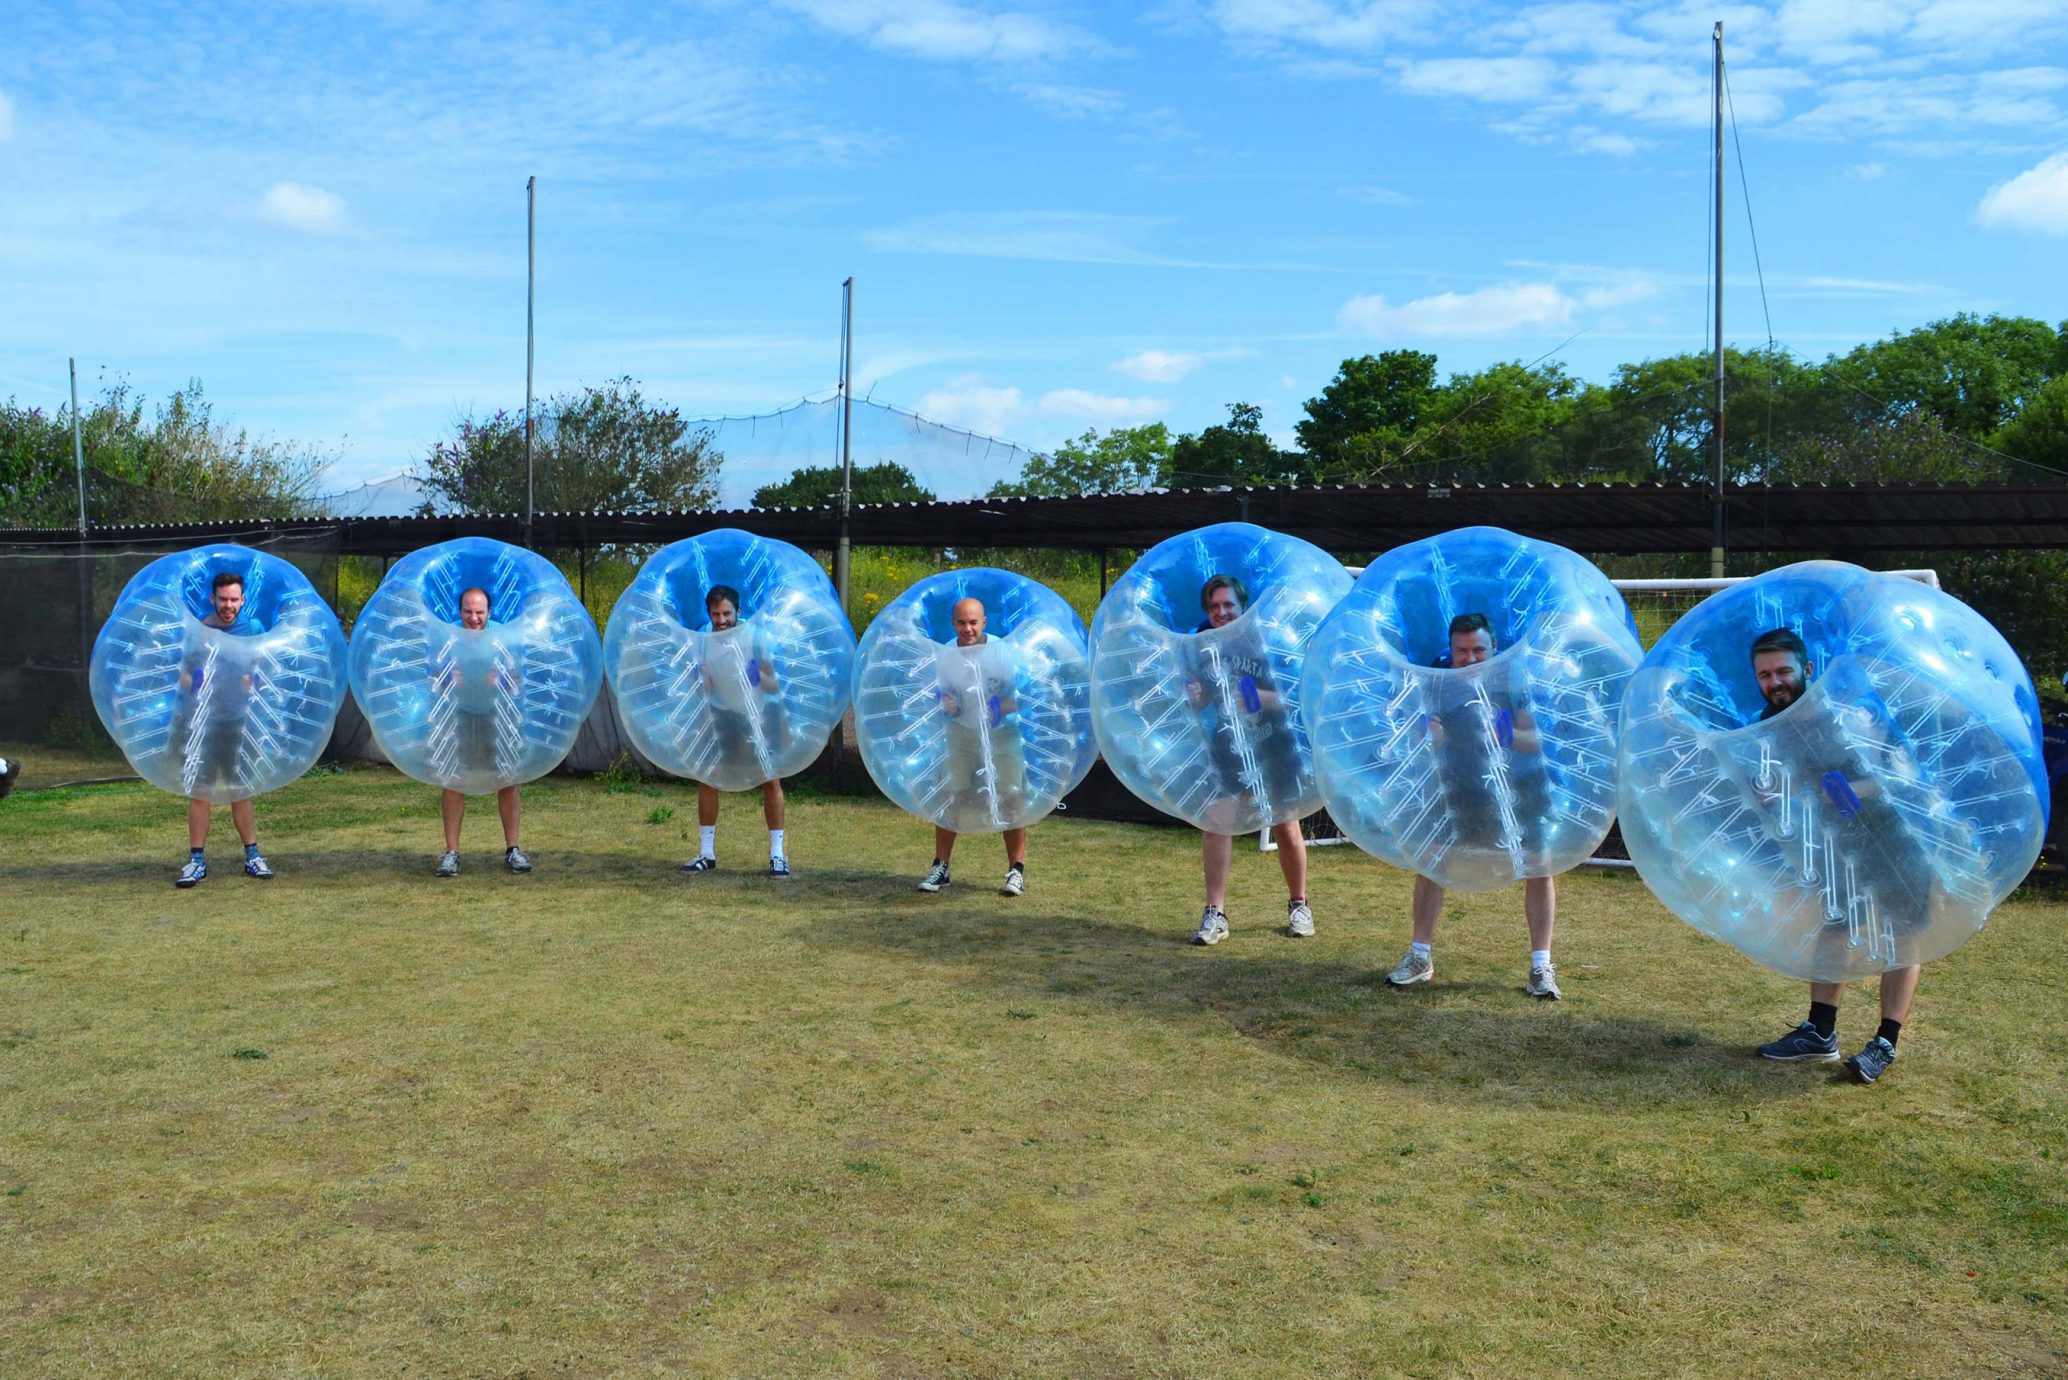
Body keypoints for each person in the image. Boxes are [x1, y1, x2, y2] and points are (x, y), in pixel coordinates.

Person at [1748, 627, 1925, 1085]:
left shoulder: (1846, 715)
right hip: (1841, 841)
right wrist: (1767, 791)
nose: (1775, 682)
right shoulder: (1769, 722)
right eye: (1765, 674)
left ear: (1807, 670)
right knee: (1836, 925)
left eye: (1784, 670)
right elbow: (1778, 787)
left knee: (1902, 937)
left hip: (1897, 836)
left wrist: (1835, 792)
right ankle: (1820, 1032)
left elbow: (1901, 773)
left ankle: (1885, 1042)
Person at [1384, 613, 1561, 998]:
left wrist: (1507, 734)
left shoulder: (1514, 681)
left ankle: (1540, 966)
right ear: (1451, 650)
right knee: (1430, 861)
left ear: (1493, 648)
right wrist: (1433, 735)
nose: (1470, 658)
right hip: (1456, 787)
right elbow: (1422, 739)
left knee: (1540, 866)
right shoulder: (1437, 681)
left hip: (1517, 787)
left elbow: (1537, 741)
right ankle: (1420, 956)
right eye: (1461, 651)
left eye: (1479, 649)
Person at [1185, 574, 1311, 945]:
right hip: (1228, 741)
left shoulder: (1267, 639)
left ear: (1243, 608)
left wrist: (1261, 699)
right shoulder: (1200, 643)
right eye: (1214, 607)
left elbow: (1296, 695)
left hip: (1274, 741)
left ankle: (1299, 904)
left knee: (1286, 825)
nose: (1221, 613)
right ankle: (1215, 913)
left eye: (1228, 606)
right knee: (1217, 822)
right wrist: (1196, 697)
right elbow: (1203, 696)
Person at [917, 597, 1030, 897]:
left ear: (984, 623)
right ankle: (941, 867)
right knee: (949, 795)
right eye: (961, 622)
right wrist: (948, 704)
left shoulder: (1000, 652)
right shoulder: (946, 655)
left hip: (1002, 733)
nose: (967, 629)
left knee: (1011, 797)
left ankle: (1016, 871)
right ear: (953, 623)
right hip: (962, 733)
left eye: (973, 622)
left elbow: (1023, 696)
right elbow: (941, 696)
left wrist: (998, 708)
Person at [681, 585, 790, 878]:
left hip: (756, 713)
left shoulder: (754, 637)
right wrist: (702, 679)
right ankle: (707, 853)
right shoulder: (702, 639)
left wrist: (757, 676)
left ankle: (777, 856)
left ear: (738, 612)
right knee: (708, 777)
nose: (721, 620)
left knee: (770, 780)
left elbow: (774, 686)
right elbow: (705, 688)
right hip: (721, 713)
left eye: (727, 613)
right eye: (716, 614)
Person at [176, 570, 274, 887]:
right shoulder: (200, 632)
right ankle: (196, 861)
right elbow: (184, 676)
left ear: (243, 600)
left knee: (239, 790)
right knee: (200, 791)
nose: (228, 605)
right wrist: (196, 687)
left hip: (239, 722)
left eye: (234, 599)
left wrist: (254, 683)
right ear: (212, 599)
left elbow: (268, 671)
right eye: (223, 599)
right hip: (205, 724)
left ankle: (253, 855)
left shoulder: (254, 629)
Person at [434, 587, 532, 877]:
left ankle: (513, 849)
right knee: (453, 780)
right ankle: (451, 853)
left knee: (508, 780)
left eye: (479, 612)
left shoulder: (504, 636)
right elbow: (433, 678)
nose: (474, 618)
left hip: (496, 715)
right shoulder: (449, 638)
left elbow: (519, 679)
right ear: (460, 611)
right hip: (460, 715)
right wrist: (446, 680)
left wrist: (501, 680)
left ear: (490, 612)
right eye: (468, 611)